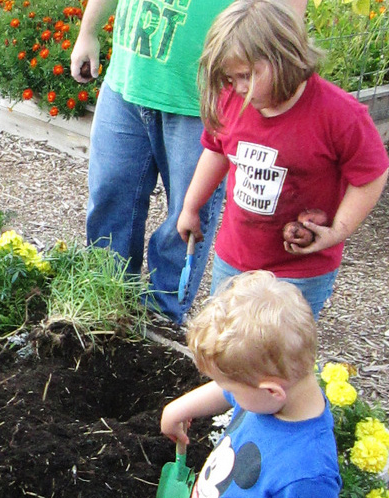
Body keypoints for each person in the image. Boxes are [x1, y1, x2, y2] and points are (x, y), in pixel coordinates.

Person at [70, 0, 308, 325]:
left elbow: (285, 17)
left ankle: (161, 320)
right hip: (127, 80)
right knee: (109, 200)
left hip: (199, 100)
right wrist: (89, 32)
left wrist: (269, 89)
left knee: (184, 220)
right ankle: (102, 303)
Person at [177, 0, 389, 319]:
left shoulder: (338, 114)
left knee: (279, 360)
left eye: (247, 75)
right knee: (228, 345)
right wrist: (191, 208)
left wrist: (336, 232)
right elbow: (217, 149)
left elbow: (371, 176)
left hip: (299, 270)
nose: (239, 88)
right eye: (231, 78)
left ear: (284, 56)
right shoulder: (232, 100)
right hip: (234, 257)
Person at [160, 270, 341, 498]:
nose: (227, 393)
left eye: (232, 388)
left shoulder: (306, 470)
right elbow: (225, 392)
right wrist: (178, 409)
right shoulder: (273, 395)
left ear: (271, 391)